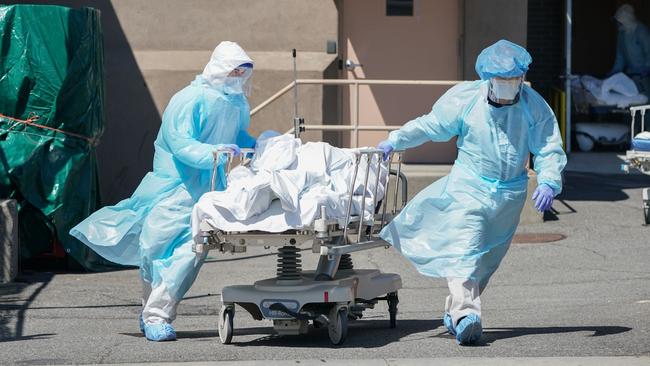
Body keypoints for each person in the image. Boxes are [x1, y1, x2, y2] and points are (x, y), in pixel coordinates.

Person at [376, 39, 566, 345]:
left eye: (513, 80)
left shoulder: (533, 105)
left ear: (521, 78)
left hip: (509, 195)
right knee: (466, 248)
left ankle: (455, 312)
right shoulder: (466, 99)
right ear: (487, 77)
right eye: (501, 80)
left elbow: (547, 147)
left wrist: (548, 180)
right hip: (470, 187)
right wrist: (396, 139)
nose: (507, 85)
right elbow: (433, 125)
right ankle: (467, 315)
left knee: (486, 261)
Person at [70, 41, 258, 341]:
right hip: (174, 189)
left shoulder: (236, 104)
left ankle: (158, 314)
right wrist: (213, 152)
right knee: (154, 250)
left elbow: (237, 136)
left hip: (208, 193)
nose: (238, 77)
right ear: (220, 67)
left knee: (189, 254)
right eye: (233, 70)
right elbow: (179, 142)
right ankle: (150, 311)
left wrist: (253, 145)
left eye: (242, 72)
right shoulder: (190, 99)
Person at [609, 4, 650, 95]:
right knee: (634, 98)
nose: (618, 24)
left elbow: (649, 51)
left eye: (619, 22)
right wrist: (615, 70)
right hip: (632, 74)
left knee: (646, 98)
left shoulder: (641, 31)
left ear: (626, 20)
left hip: (644, 75)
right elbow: (620, 56)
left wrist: (647, 68)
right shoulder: (622, 34)